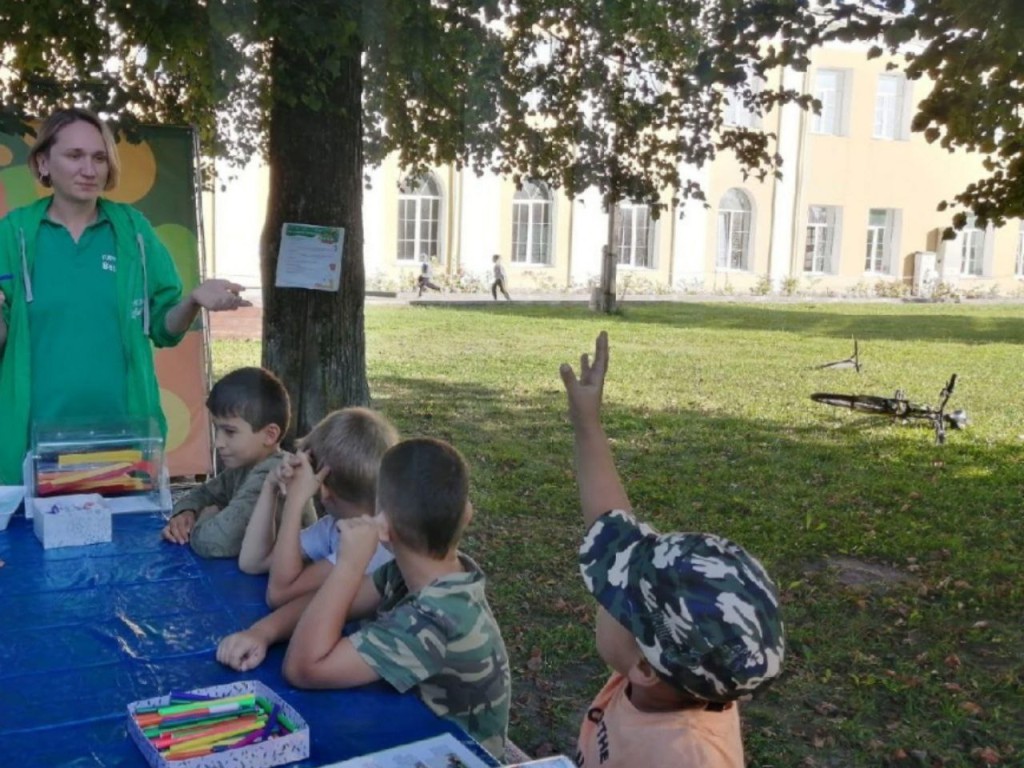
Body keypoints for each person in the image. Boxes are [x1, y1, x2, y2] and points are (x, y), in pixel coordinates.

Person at [559, 332, 785, 768]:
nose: (601, 601)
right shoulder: (679, 673)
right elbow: (609, 517)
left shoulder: (687, 755)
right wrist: (587, 422)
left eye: (615, 597)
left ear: (644, 666)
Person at [0, 107, 250, 485]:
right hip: (31, 441)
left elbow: (165, 328)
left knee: (120, 542)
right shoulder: (13, 234)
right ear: (43, 162)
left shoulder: (133, 231)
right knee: (34, 543)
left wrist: (193, 300)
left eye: (99, 157)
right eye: (74, 155)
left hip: (122, 438)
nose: (89, 169)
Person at [282, 438, 511, 761]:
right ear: (467, 514)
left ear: (384, 528)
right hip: (415, 735)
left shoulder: (435, 618)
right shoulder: (423, 574)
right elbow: (333, 605)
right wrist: (261, 633)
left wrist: (349, 565)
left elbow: (304, 668)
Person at [215, 408, 398, 673]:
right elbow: (253, 562)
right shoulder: (334, 527)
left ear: (322, 489)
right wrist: (270, 487)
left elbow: (278, 595)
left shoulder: (374, 545)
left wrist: (295, 502)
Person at [161, 367, 317, 557]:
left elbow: (214, 542)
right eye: (216, 429)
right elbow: (204, 493)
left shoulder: (274, 473)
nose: (218, 443)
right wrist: (185, 514)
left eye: (230, 432)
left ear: (269, 435)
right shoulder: (244, 466)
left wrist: (205, 517)